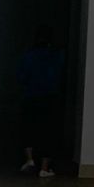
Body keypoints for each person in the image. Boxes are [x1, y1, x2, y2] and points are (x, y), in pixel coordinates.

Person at [18, 26, 65, 178]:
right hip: (50, 97)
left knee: (28, 128)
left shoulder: (29, 55)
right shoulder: (57, 55)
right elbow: (60, 75)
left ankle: (30, 159)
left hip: (30, 96)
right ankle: (44, 168)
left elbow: (22, 77)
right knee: (48, 132)